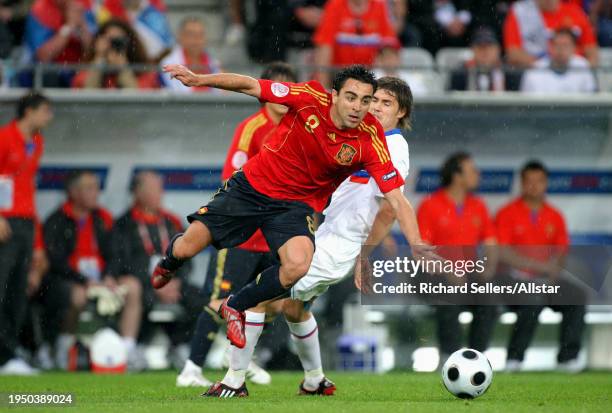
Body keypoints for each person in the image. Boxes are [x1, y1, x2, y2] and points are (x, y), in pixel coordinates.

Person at [157, 63, 434, 352]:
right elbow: (251, 85)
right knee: (193, 252)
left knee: (289, 278)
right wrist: (199, 78)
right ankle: (170, 263)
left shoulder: (373, 141)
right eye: (356, 98)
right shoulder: (309, 98)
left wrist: (413, 242)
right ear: (335, 95)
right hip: (254, 188)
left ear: (401, 111)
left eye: (371, 101)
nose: (363, 108)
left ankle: (233, 368)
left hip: (296, 210)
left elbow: (394, 202)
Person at [206, 76, 414, 398]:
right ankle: (315, 381)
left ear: (402, 113)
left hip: (341, 245)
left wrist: (364, 254)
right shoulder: (362, 139)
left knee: (261, 298)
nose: (375, 107)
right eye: (373, 101)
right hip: (327, 234)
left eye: (386, 103)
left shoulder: (394, 146)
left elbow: (390, 207)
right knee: (294, 308)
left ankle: (233, 381)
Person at [176, 63, 298, 388]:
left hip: (274, 237)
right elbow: (234, 180)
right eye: (276, 86)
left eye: (288, 87)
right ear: (264, 93)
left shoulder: (296, 130)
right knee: (219, 301)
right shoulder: (251, 129)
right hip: (242, 237)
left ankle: (239, 360)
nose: (282, 94)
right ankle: (192, 367)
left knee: (270, 302)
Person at [41, 171, 143, 370]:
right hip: (73, 281)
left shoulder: (103, 217)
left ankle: (127, 349)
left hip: (102, 280)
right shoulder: (57, 220)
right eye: (89, 188)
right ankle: (64, 345)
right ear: (73, 192)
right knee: (77, 296)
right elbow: (56, 261)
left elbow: (116, 254)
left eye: (96, 188)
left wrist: (108, 277)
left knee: (133, 286)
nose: (96, 193)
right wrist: (84, 280)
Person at [109, 170, 205, 369]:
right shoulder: (123, 224)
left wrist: (176, 281)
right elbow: (122, 262)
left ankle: (180, 345)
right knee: (142, 298)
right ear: (137, 192)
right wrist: (153, 284)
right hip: (145, 285)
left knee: (201, 298)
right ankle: (136, 347)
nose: (159, 194)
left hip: (172, 283)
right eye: (153, 189)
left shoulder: (172, 222)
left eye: (160, 189)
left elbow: (187, 256)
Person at [496, 160, 585, 373]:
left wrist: (552, 272)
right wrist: (537, 267)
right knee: (532, 297)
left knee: (576, 295)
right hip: (511, 281)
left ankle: (567, 359)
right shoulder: (507, 213)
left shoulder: (554, 215)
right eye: (529, 181)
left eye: (539, 181)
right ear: (522, 183)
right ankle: (514, 360)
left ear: (546, 183)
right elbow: (502, 252)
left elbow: (561, 251)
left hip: (544, 281)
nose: (534, 186)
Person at [417, 152, 498, 363]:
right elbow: (422, 252)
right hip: (434, 274)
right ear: (457, 176)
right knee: (448, 296)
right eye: (472, 171)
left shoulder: (478, 205)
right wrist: (448, 270)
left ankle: (476, 358)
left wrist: (488, 268)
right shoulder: (430, 205)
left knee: (489, 301)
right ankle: (450, 358)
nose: (478, 174)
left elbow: (491, 244)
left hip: (468, 274)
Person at [0, 92, 51, 375]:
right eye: (45, 111)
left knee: (17, 292)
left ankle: (7, 355)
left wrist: (38, 241)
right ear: (28, 112)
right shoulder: (4, 137)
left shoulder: (37, 142)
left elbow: (26, 189)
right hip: (4, 223)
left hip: (24, 223)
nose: (49, 117)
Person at [313, 0, 399, 87]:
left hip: (371, 76)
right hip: (339, 76)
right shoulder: (335, 5)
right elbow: (324, 48)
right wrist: (323, 88)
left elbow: (389, 48)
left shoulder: (380, 5)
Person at [503, 0, 598, 68]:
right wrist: (546, 68)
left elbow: (592, 54)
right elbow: (513, 53)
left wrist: (578, 71)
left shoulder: (576, 12)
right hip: (537, 73)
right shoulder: (521, 12)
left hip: (574, 74)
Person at [24, 0, 96, 87]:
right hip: (48, 71)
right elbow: (43, 56)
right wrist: (69, 26)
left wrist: (82, 26)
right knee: (48, 73)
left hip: (77, 68)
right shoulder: (40, 10)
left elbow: (93, 52)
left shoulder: (83, 7)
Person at [71, 19, 158, 89]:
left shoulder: (144, 72)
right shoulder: (85, 71)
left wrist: (123, 67)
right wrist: (100, 58)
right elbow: (86, 97)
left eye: (118, 41)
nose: (112, 46)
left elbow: (138, 101)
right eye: (109, 40)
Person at [520, 28, 597, 94]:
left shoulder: (583, 66)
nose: (561, 49)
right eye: (557, 45)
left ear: (574, 48)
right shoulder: (535, 69)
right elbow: (526, 105)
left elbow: (591, 100)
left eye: (565, 45)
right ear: (550, 47)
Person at [160, 17, 221, 93]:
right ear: (180, 37)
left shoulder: (214, 64)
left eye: (200, 35)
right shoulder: (168, 65)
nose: (196, 39)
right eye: (191, 34)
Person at [450, 27, 521, 92]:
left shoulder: (510, 73)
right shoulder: (461, 73)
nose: (485, 51)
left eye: (489, 46)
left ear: (498, 49)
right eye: (480, 46)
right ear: (472, 49)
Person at [99, 0, 173, 61]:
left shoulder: (154, 13)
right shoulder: (109, 13)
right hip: (117, 63)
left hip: (151, 66)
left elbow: (166, 47)